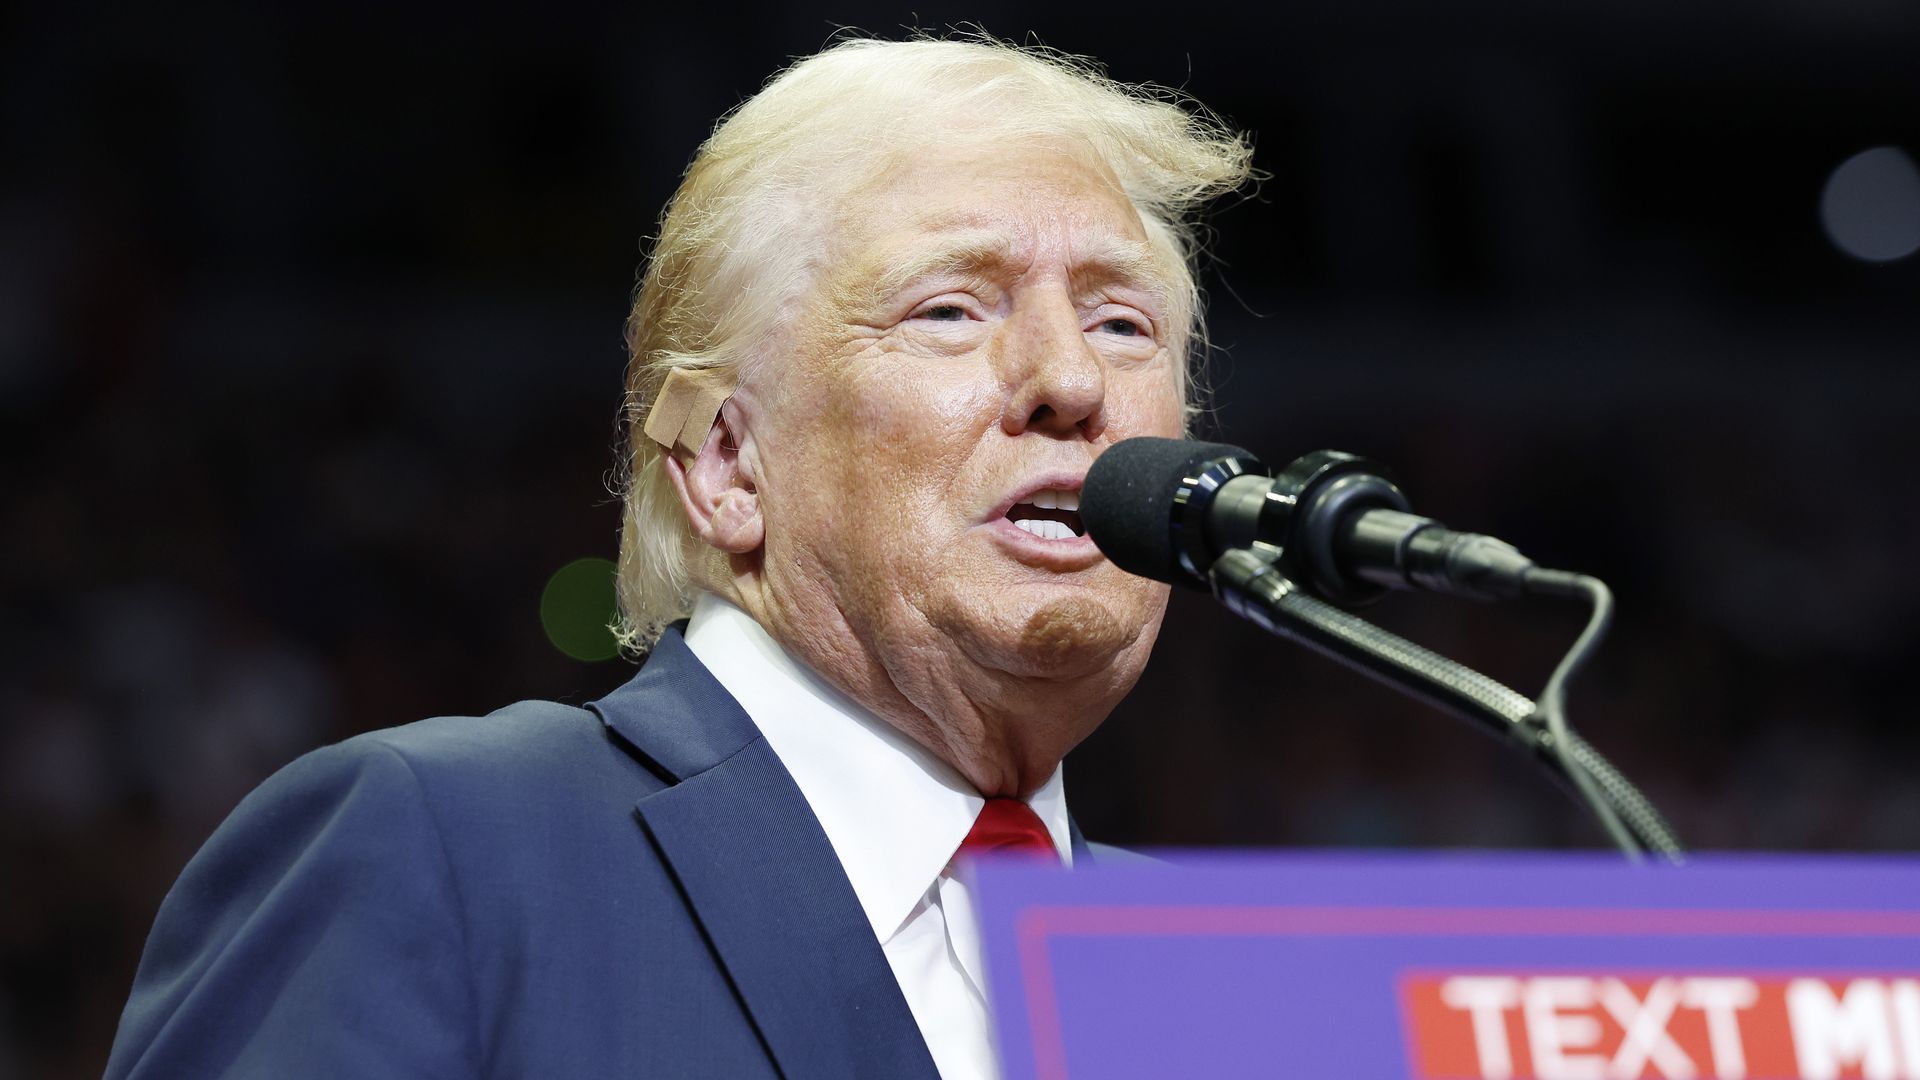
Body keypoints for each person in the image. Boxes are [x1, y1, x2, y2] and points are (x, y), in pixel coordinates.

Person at [105, 35, 1252, 1079]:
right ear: (725, 463)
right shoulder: (443, 851)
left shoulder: (1229, 978)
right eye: (949, 310)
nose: (1072, 379)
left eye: (1122, 324)